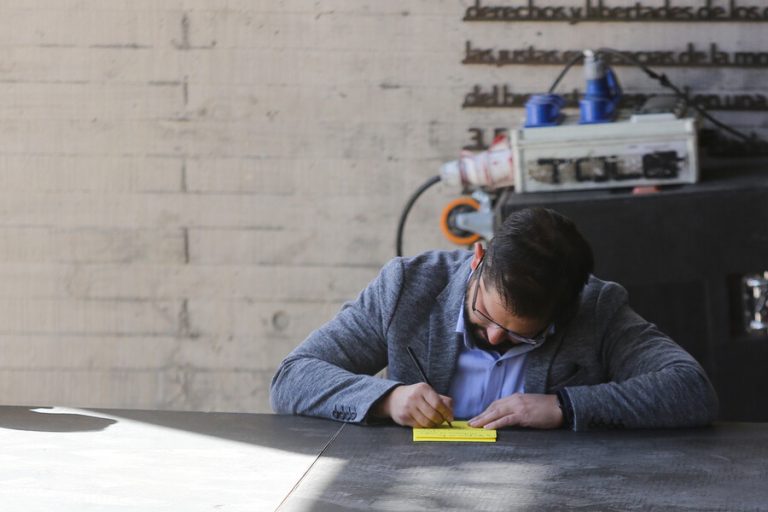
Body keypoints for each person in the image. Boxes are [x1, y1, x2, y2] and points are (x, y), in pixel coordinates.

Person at [270, 207, 718, 430]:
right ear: (478, 259)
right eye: (483, 316)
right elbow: (292, 378)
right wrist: (388, 399)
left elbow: (692, 390)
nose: (494, 337)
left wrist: (565, 407)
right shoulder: (407, 288)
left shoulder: (596, 309)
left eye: (521, 336)